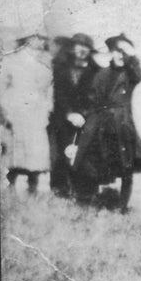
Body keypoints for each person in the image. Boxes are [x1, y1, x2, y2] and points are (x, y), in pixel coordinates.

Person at [72, 33, 141, 212]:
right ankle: (93, 203)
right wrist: (85, 116)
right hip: (102, 124)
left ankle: (122, 207)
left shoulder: (130, 74)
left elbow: (138, 74)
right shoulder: (102, 74)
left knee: (126, 167)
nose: (120, 55)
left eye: (124, 52)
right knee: (96, 162)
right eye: (116, 51)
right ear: (111, 53)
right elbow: (93, 99)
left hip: (122, 124)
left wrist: (131, 56)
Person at [48, 33, 100, 198]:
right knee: (59, 157)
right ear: (72, 47)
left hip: (85, 121)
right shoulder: (59, 68)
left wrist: (84, 115)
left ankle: (84, 195)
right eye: (79, 45)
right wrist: (69, 113)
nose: (82, 50)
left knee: (84, 157)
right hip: (61, 120)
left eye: (86, 47)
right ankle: (60, 194)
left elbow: (96, 96)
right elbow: (57, 94)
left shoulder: (95, 71)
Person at [0, 34, 52, 193]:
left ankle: (33, 190)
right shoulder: (11, 61)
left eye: (44, 38)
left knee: (35, 157)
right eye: (39, 38)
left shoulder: (44, 63)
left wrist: (46, 110)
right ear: (29, 39)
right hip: (15, 114)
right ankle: (10, 190)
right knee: (14, 155)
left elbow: (47, 89)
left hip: (36, 115)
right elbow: (2, 87)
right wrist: (5, 111)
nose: (43, 41)